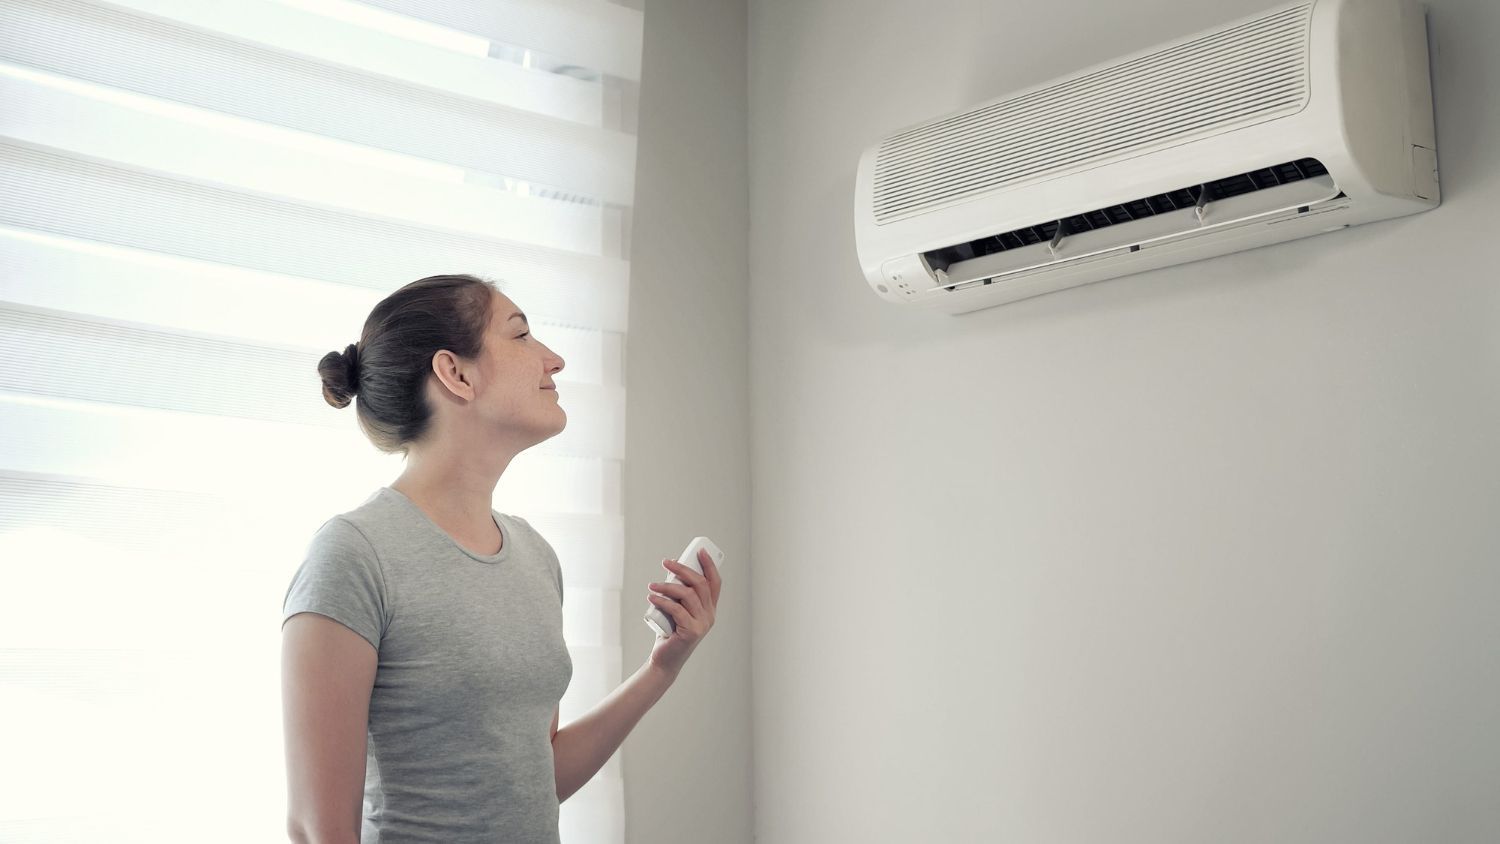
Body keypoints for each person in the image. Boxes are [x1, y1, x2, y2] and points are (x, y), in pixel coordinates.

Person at [281, 273, 721, 843]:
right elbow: (318, 831)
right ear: (455, 373)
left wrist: (664, 665)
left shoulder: (536, 558)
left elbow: (539, 775)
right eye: (521, 336)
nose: (554, 360)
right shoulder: (353, 556)